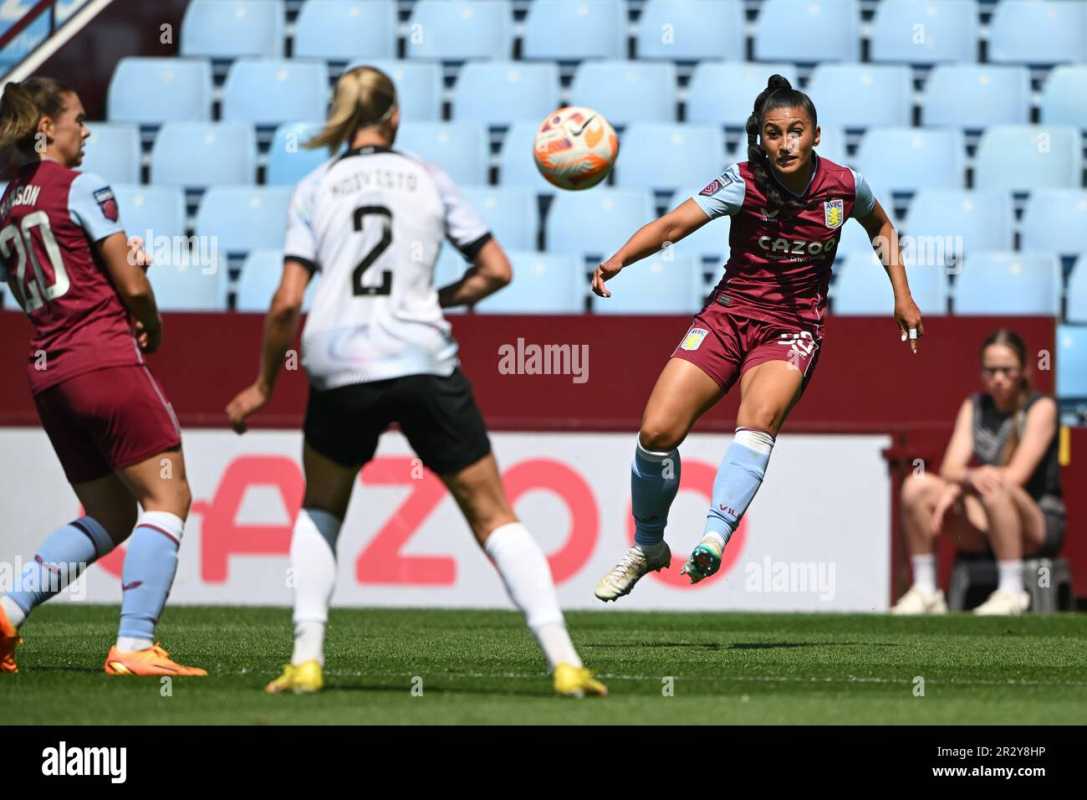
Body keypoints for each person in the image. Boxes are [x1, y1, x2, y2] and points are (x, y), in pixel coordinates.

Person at [226, 66, 605, 698]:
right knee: (493, 514)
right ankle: (565, 662)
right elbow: (497, 270)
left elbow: (287, 303)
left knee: (321, 506)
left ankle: (307, 659)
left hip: (339, 360)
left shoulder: (317, 186)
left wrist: (264, 384)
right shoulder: (428, 178)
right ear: (395, 117)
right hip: (420, 356)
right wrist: (435, 297)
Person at [592, 74, 924, 601]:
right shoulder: (742, 182)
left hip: (792, 328)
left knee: (758, 418)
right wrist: (618, 260)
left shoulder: (844, 186)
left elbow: (881, 227)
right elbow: (673, 226)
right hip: (727, 316)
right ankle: (649, 546)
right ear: (761, 137)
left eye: (796, 131)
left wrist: (901, 295)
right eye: (773, 133)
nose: (785, 143)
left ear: (816, 135)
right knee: (656, 432)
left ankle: (713, 537)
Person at [0, 78, 204, 676]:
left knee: (110, 515)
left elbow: (44, 277)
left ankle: (7, 610)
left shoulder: (6, 202)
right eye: (77, 119)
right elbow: (133, 286)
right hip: (102, 359)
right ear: (46, 128)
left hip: (49, 374)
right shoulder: (81, 187)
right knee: (169, 495)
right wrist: (149, 317)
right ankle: (135, 645)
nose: (85, 131)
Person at [894, 329, 1064, 615]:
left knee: (996, 484)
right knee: (917, 485)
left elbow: (1015, 476)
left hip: (1036, 522)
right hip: (985, 515)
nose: (998, 378)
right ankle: (926, 590)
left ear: (1024, 371)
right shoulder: (974, 406)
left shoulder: (1041, 407)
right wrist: (966, 480)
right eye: (991, 370)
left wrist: (961, 486)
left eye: (1007, 370)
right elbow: (950, 467)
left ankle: (1012, 592)